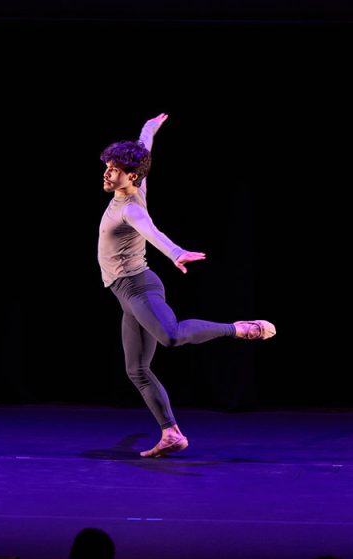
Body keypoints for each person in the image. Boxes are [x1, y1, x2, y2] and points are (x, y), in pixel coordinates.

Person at [97, 113, 275, 458]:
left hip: (138, 287)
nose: (106, 172)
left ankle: (239, 329)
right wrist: (149, 129)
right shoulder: (137, 184)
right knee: (136, 369)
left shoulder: (131, 210)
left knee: (172, 336)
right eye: (107, 165)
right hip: (125, 293)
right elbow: (144, 148)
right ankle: (171, 433)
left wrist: (176, 252)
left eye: (113, 168)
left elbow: (152, 232)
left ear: (131, 176)